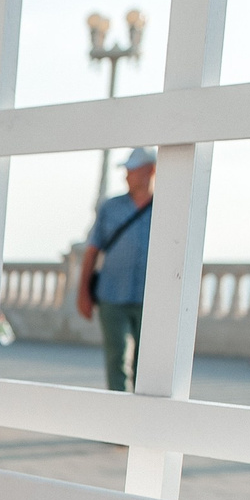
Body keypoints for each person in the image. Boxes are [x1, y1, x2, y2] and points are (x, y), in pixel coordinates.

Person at [76, 145, 156, 391]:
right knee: (117, 358)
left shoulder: (166, 208)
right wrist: (83, 294)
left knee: (148, 363)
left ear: (150, 171)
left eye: (132, 170)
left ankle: (141, 417)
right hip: (112, 294)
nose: (126, 176)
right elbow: (92, 252)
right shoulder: (110, 207)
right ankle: (118, 416)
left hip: (151, 299)